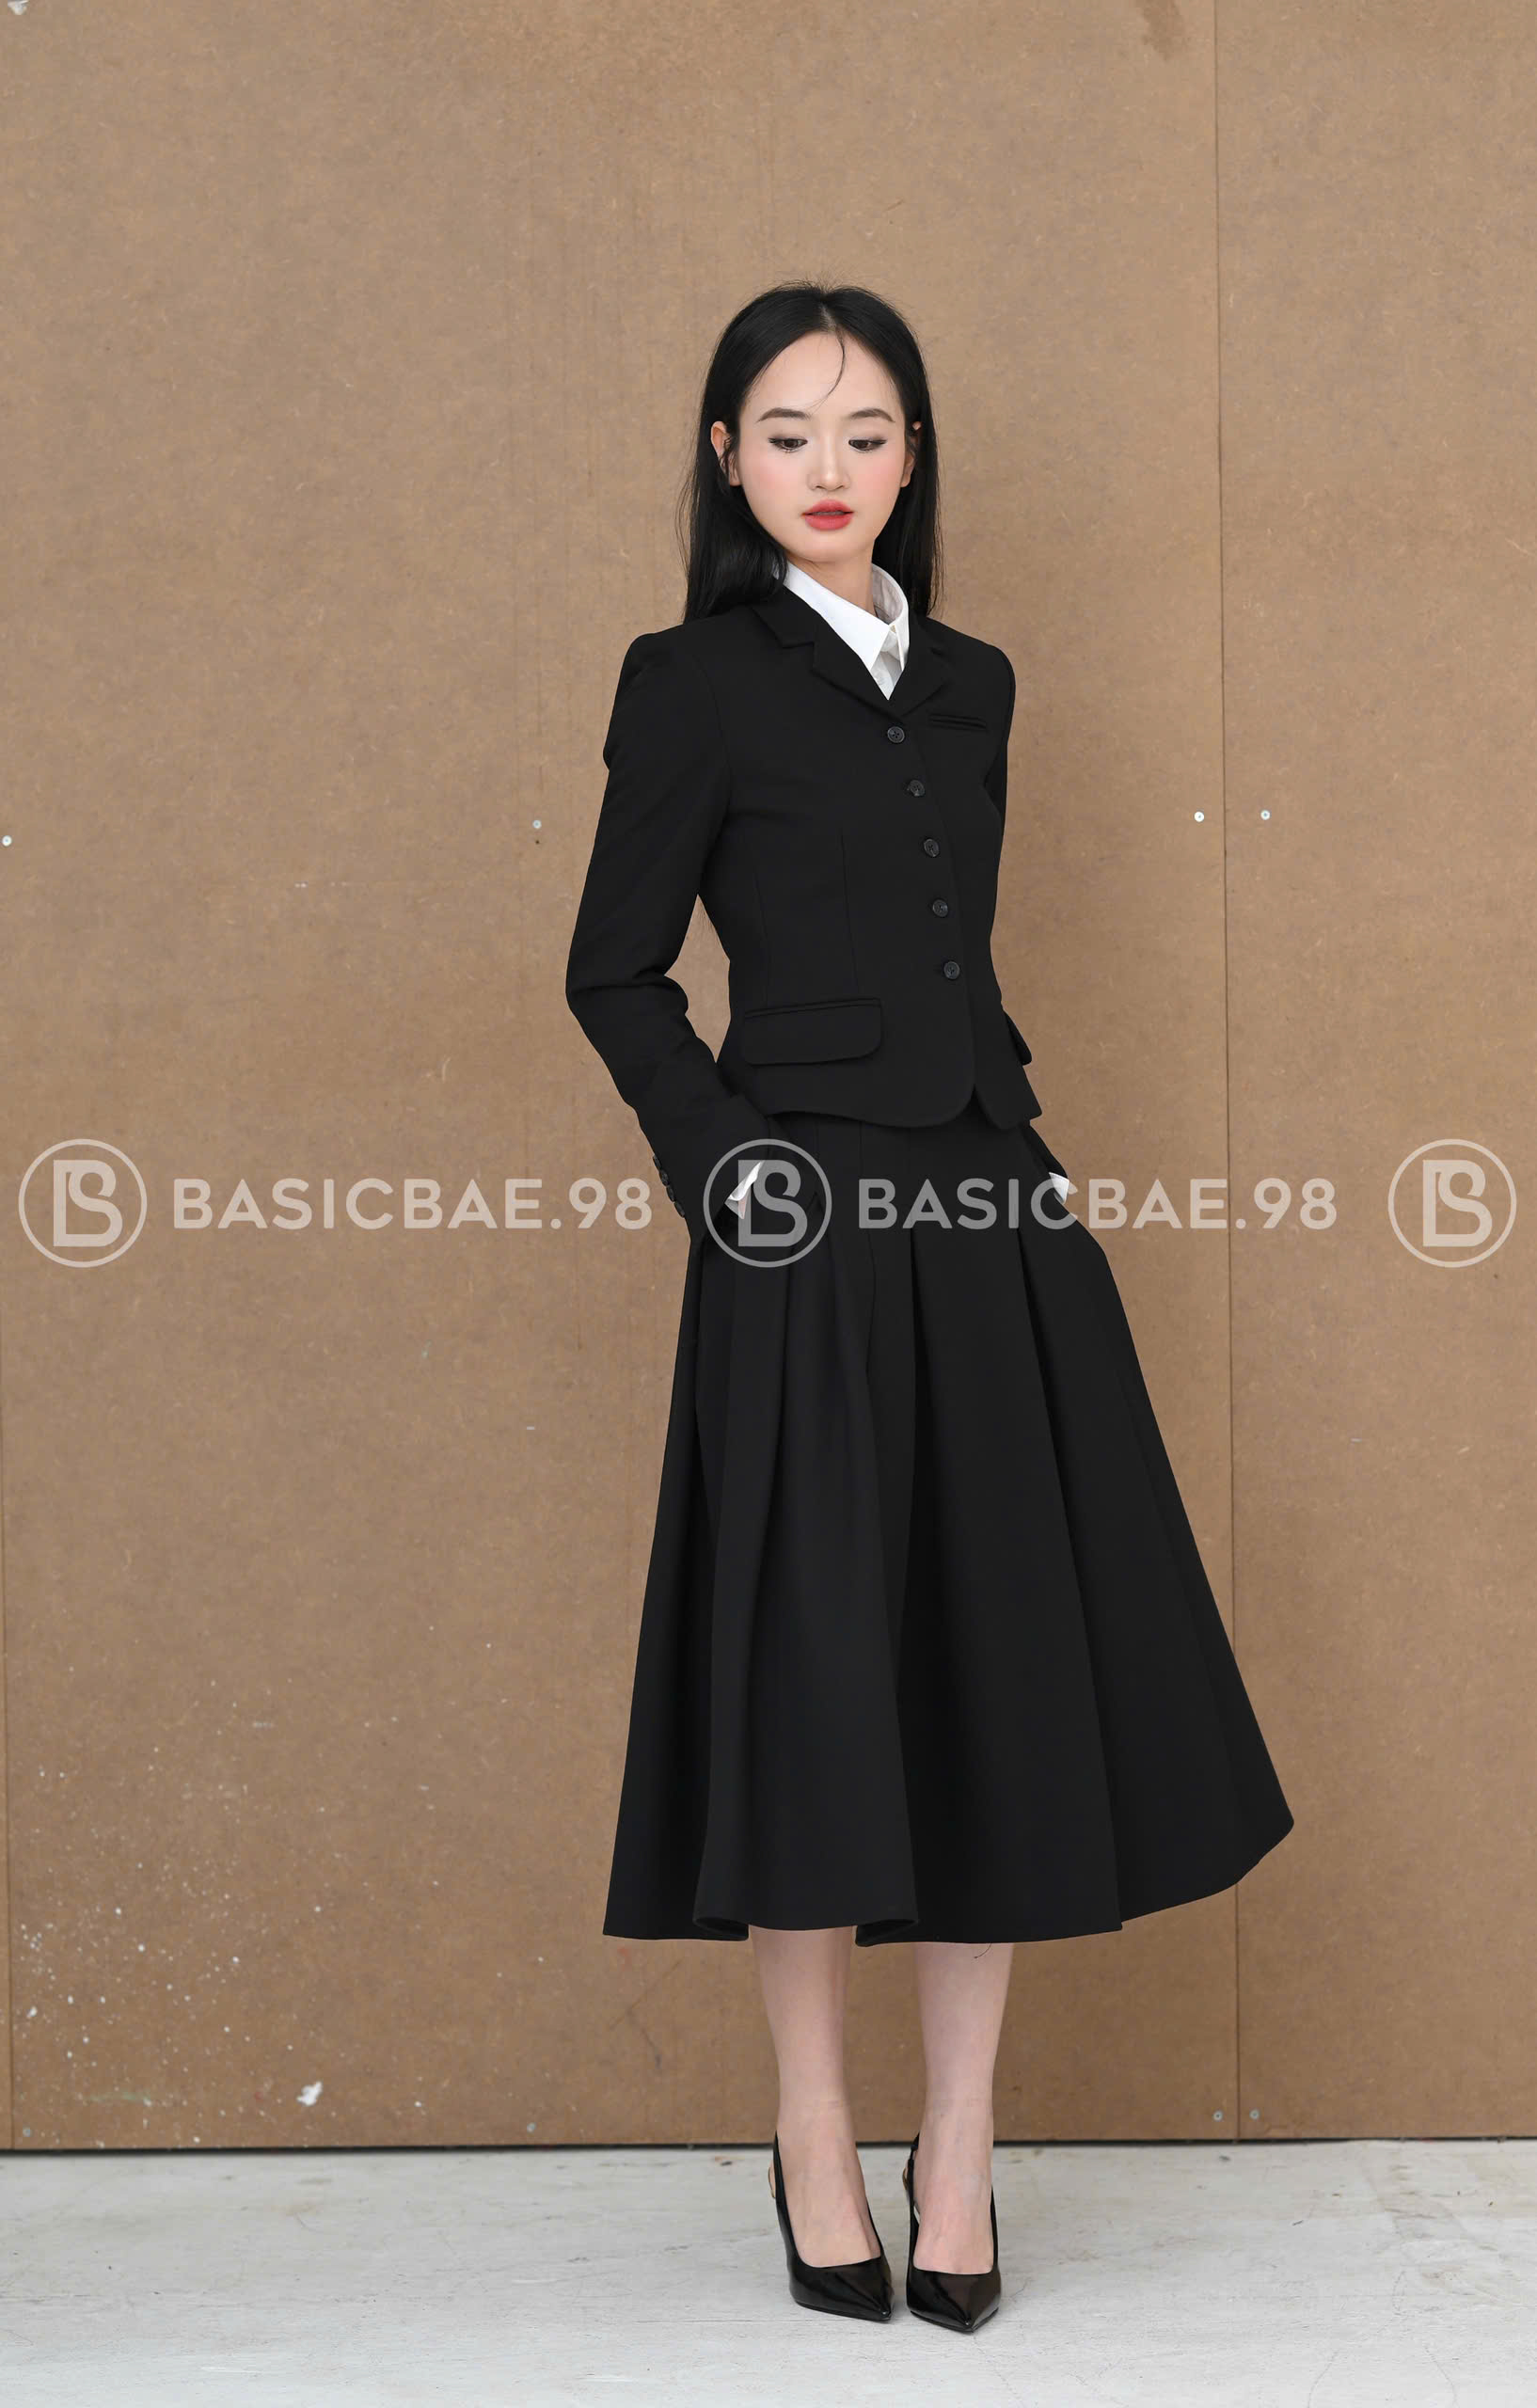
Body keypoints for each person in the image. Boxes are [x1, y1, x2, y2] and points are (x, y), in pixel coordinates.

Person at [564, 282, 1294, 2333]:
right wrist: (737, 1170)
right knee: (807, 1680)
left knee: (996, 1670)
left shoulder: (972, 682)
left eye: (868, 430)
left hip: (989, 1211)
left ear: (913, 457)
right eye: (788, 430)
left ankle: (958, 2143)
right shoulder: (689, 681)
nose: (829, 466)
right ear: (725, 456)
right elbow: (614, 969)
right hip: (797, 1224)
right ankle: (812, 2129)